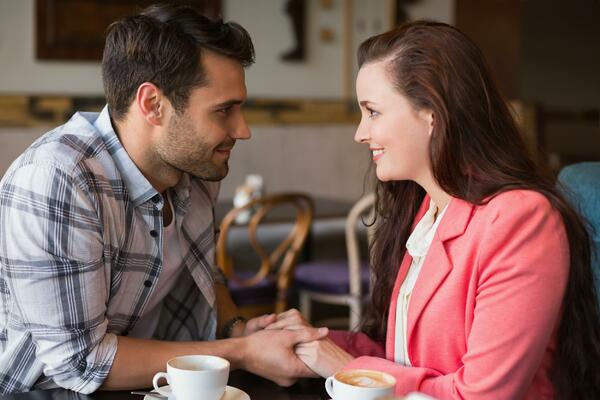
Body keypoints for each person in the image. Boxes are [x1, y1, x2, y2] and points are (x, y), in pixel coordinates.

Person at [0, 4, 325, 394]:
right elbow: (80, 365)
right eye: (224, 111)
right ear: (153, 105)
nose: (243, 129)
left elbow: (206, 273)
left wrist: (237, 326)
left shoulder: (195, 166)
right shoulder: (60, 180)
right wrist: (241, 351)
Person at [268, 21, 600, 399]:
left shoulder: (521, 219)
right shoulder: (428, 211)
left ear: (432, 113)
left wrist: (343, 367)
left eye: (373, 112)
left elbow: (481, 395)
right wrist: (310, 343)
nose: (360, 133)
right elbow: (406, 364)